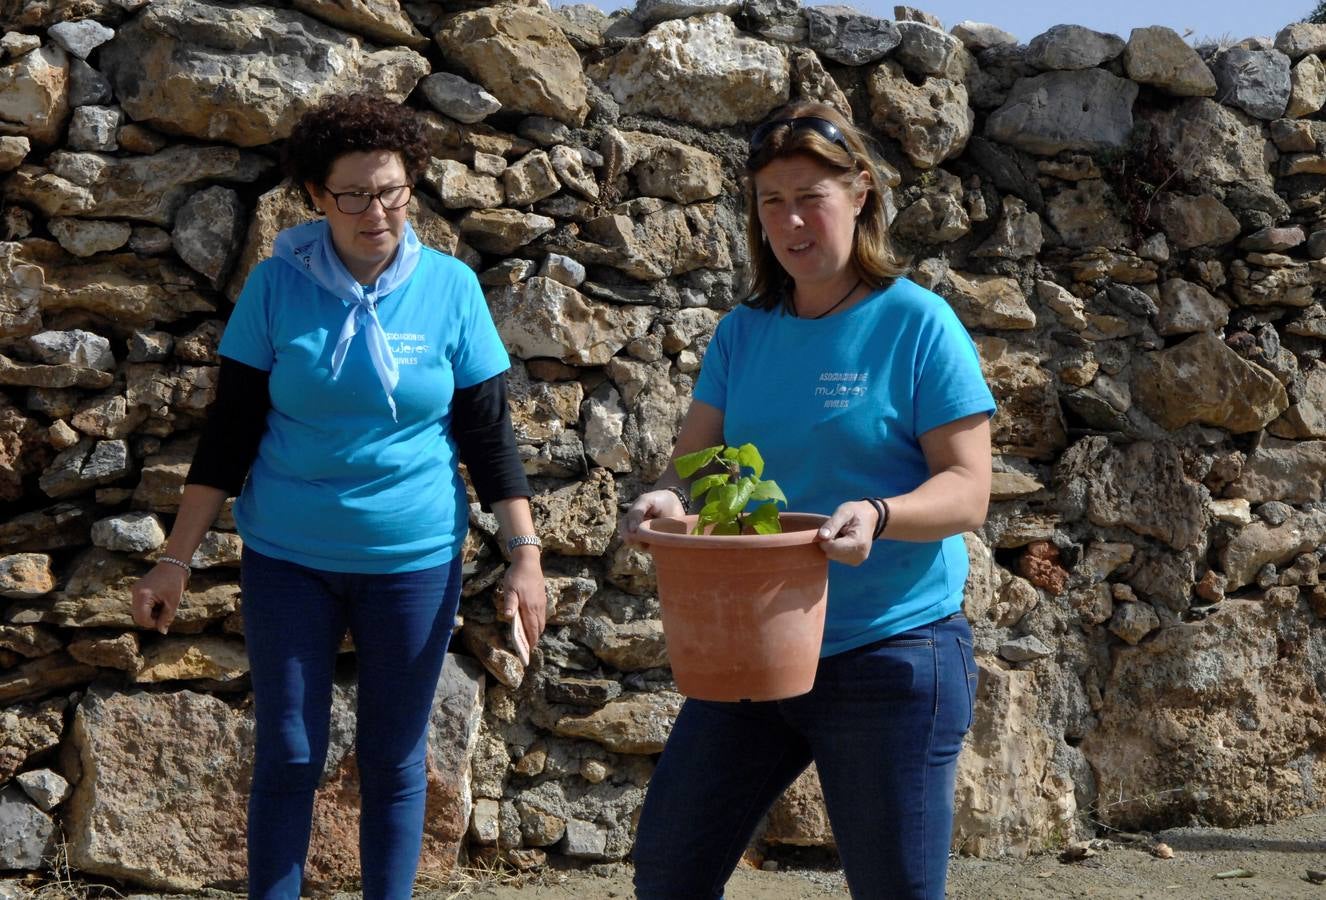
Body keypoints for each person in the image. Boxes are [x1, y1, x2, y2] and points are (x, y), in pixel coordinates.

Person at [129, 93, 547, 900]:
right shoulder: (275, 288)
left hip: (414, 562)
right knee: (289, 753)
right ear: (316, 198)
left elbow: (490, 437)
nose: (375, 210)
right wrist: (175, 559)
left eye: (391, 190)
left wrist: (525, 554)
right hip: (289, 559)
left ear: (411, 186)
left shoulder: (453, 289)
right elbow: (229, 437)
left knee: (395, 758)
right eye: (352, 193)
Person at [622, 101, 996, 899]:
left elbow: (967, 492)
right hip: (751, 649)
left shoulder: (919, 326)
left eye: (810, 197)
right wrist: (662, 498)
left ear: (860, 193)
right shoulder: (744, 332)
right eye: (770, 201)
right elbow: (693, 464)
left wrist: (881, 513)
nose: (790, 221)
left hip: (892, 652)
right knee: (667, 873)